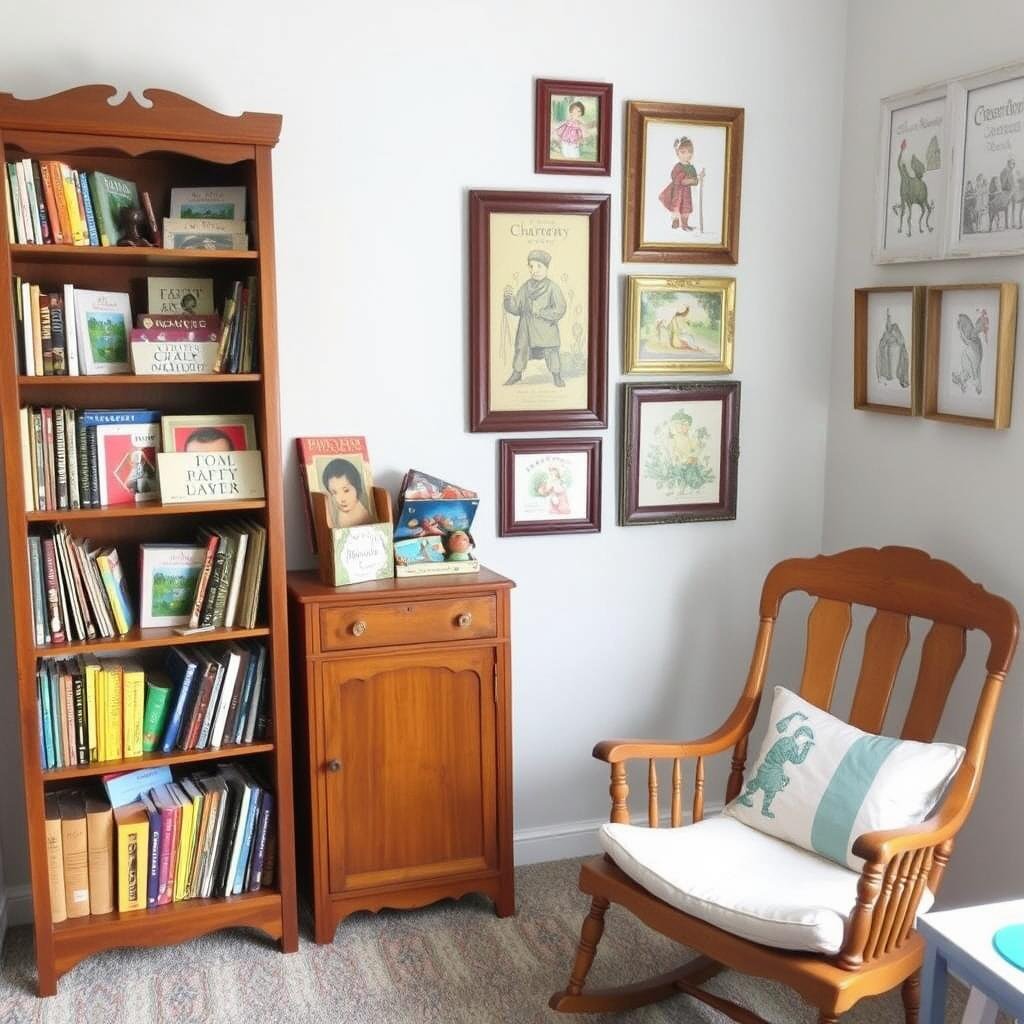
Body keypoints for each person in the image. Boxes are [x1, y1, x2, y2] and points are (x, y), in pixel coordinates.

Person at [503, 249, 568, 387]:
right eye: (531, 266)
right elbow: (516, 309)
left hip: (546, 330)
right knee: (521, 348)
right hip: (526, 329)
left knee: (551, 352)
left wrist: (541, 312)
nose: (535, 270)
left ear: (546, 268)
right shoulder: (526, 287)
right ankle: (517, 374)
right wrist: (508, 300)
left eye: (539, 266)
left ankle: (556, 376)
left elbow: (561, 308)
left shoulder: (552, 287)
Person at [659, 137, 704, 231]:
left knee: (686, 209)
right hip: (677, 192)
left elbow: (695, 181)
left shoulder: (691, 167)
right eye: (683, 152)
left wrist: (698, 178)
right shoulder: (678, 166)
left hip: (686, 193)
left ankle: (685, 225)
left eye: (690, 152)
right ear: (677, 153)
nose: (687, 155)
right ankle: (675, 221)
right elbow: (679, 180)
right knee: (677, 207)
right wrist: (690, 180)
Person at [321, 458, 372, 528]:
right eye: (334, 493)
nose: (341, 499)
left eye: (346, 490)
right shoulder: (339, 514)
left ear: (357, 488)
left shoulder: (363, 515)